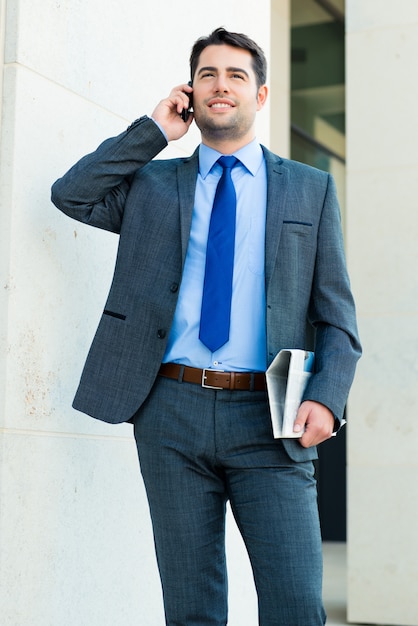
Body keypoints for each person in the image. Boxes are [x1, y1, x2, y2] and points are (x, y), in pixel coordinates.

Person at [51, 27, 361, 626]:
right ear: (190, 92)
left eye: (236, 76)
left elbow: (337, 315)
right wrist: (155, 132)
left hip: (272, 417)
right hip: (170, 411)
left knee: (296, 605)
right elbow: (74, 195)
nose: (222, 86)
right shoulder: (154, 185)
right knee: (191, 608)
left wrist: (327, 398)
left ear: (262, 96)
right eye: (208, 75)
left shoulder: (309, 188)